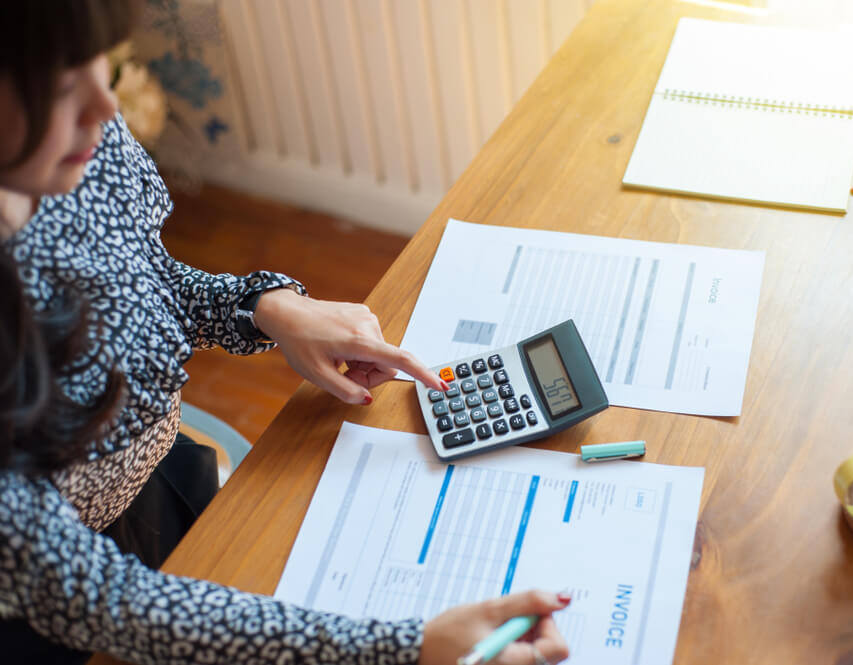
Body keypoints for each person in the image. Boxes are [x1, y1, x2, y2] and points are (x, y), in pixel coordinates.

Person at [0, 2, 571, 664]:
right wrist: (406, 648)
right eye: (64, 86)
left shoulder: (66, 145)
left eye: (108, 65)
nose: (107, 106)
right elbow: (93, 597)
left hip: (149, 486)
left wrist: (262, 306)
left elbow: (133, 285)